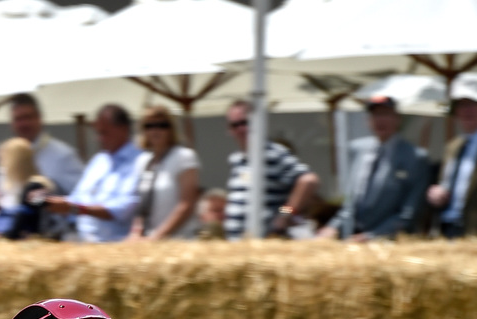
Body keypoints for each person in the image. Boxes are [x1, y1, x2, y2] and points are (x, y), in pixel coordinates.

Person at [319, 95, 428, 241]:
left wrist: (371, 237)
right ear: (368, 120)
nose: (380, 120)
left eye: (386, 114)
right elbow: (350, 205)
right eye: (376, 114)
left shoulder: (414, 157)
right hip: (351, 240)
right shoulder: (357, 149)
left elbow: (410, 212)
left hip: (387, 243)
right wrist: (332, 228)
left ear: (397, 119)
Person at [222, 99, 320, 239]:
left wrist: (285, 215)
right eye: (235, 125)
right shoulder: (237, 160)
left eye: (245, 123)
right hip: (239, 244)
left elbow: (309, 181)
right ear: (229, 130)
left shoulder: (272, 153)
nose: (240, 129)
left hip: (265, 243)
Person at [43, 104, 142, 243]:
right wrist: (52, 202)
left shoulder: (139, 162)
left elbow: (122, 209)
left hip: (116, 246)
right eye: (98, 133)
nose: (99, 139)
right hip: (85, 243)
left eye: (104, 133)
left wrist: (75, 209)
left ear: (123, 129)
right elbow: (78, 197)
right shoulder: (99, 160)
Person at [129, 105, 201, 241]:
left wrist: (156, 237)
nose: (155, 130)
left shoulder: (184, 156)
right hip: (148, 241)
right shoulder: (142, 161)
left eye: (162, 125)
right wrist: (135, 233)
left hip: (180, 242)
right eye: (149, 126)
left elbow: (187, 205)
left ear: (171, 130)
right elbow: (140, 205)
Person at [427, 76, 477, 238]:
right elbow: (445, 184)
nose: (466, 110)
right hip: (447, 227)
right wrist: (437, 192)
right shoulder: (452, 146)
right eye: (461, 105)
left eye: (471, 104)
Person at [5, 93, 84, 195]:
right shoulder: (7, 156)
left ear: (39, 118)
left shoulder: (63, 155)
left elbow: (82, 196)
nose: (23, 124)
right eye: (18, 119)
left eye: (27, 117)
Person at [0, 137, 55, 239]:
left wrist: (9, 235)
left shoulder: (36, 185)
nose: (0, 164)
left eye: (3, 159)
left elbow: (30, 216)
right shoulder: (9, 186)